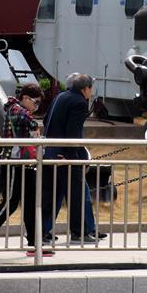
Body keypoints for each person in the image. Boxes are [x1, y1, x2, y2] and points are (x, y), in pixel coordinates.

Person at [0, 83, 53, 256]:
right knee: (10, 202)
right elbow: (26, 121)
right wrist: (35, 126)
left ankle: (33, 244)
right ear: (25, 98)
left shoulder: (19, 110)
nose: (36, 106)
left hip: (26, 162)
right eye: (35, 102)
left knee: (30, 203)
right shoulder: (15, 110)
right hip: (15, 163)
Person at [41, 73, 103, 244]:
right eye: (91, 87)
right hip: (66, 155)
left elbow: (46, 120)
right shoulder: (79, 103)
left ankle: (41, 230)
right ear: (85, 89)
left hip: (50, 151)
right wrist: (70, 156)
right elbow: (73, 132)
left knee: (51, 195)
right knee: (77, 195)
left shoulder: (60, 96)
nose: (91, 91)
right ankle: (80, 232)